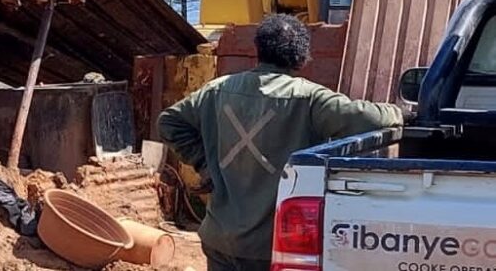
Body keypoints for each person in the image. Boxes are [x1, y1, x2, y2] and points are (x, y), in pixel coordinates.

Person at [157, 14, 403, 271]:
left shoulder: (216, 90)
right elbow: (367, 118)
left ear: (258, 49)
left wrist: (203, 164)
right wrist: (400, 113)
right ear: (301, 56)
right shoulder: (308, 98)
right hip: (272, 247)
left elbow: (169, 123)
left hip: (221, 240)